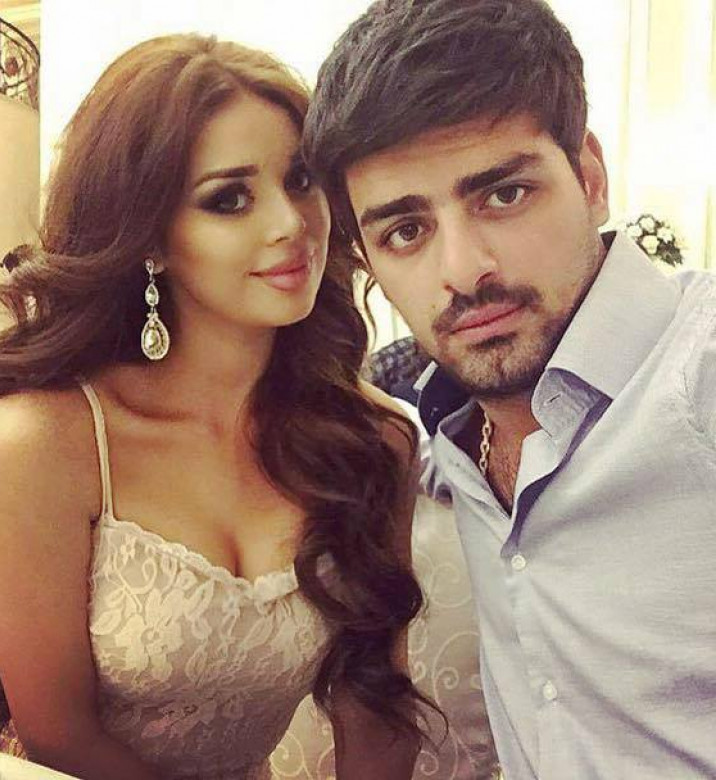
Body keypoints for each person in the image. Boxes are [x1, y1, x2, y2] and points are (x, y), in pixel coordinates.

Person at [0, 34, 433, 780]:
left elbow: (377, 710)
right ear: (150, 238)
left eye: (301, 179)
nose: (290, 223)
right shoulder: (45, 439)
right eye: (229, 199)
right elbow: (58, 735)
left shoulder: (373, 438)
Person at [303, 0, 716, 777]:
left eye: (504, 195)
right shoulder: (446, 429)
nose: (463, 270)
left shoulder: (700, 373)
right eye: (406, 231)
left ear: (589, 177)